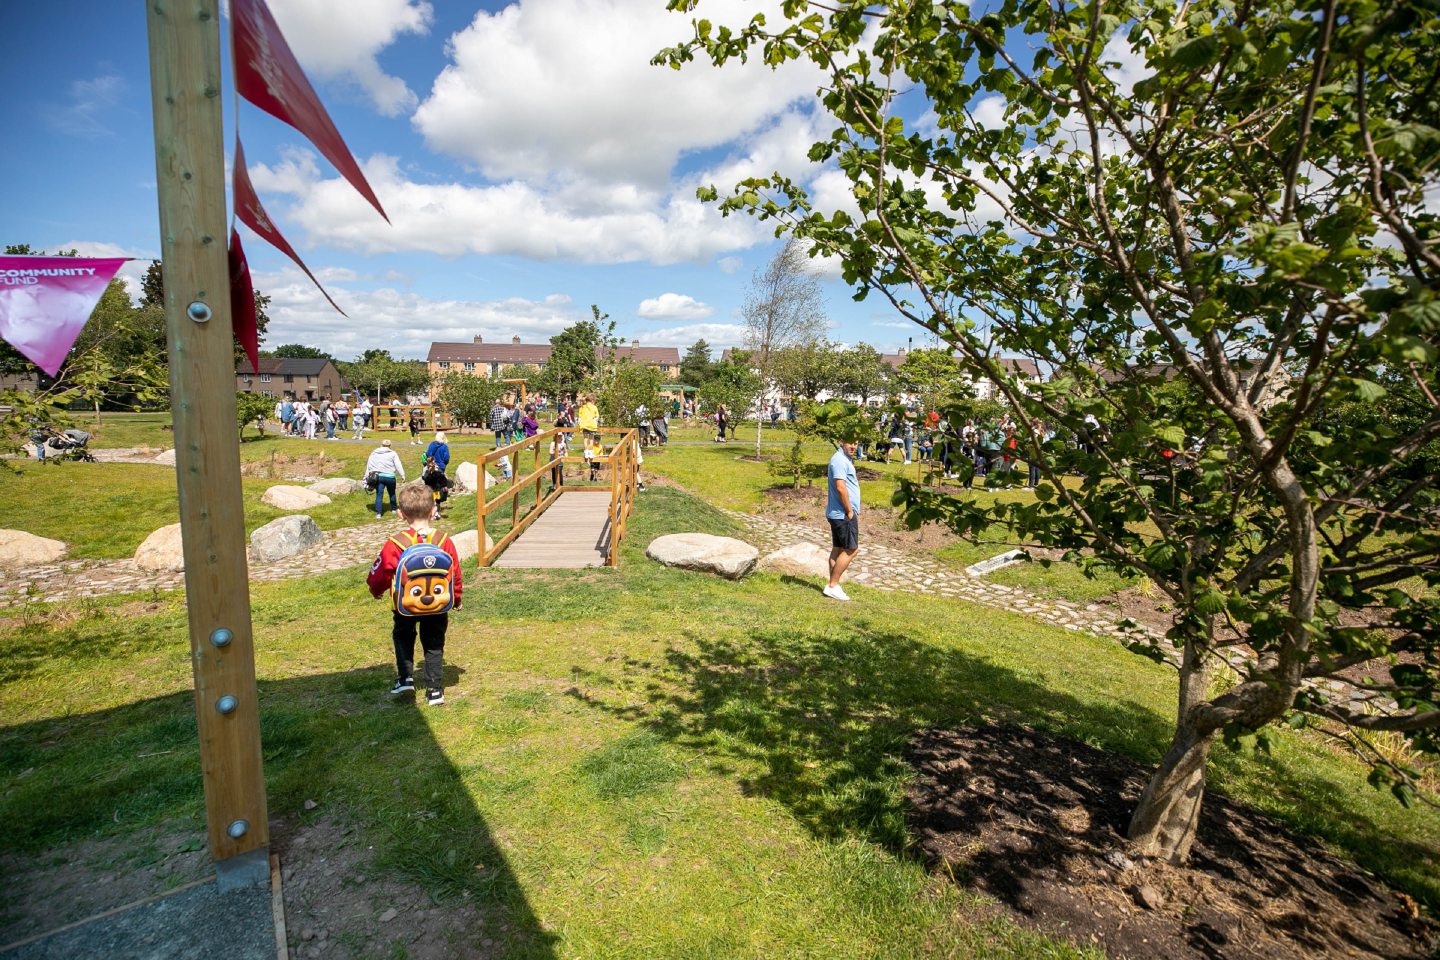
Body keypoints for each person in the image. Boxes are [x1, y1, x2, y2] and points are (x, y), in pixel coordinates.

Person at [366, 481, 463, 707]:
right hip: (438, 604)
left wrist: (376, 590)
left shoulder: (395, 543)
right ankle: (434, 691)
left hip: (405, 605)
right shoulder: (443, 540)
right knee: (434, 643)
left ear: (401, 514)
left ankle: (405, 679)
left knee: (403, 637)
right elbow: (455, 573)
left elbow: (380, 572)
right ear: (433, 510)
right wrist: (456, 598)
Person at [824, 438, 861, 602]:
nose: (853, 446)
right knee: (851, 549)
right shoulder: (839, 460)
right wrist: (849, 510)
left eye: (856, 443)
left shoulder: (843, 459)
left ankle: (833, 585)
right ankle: (832, 585)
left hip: (838, 513)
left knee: (838, 549)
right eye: (850, 443)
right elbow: (840, 487)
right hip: (843, 514)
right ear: (841, 442)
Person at [365, 438, 406, 519]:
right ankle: (394, 509)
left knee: (379, 494)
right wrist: (402, 475)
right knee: (392, 493)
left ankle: (378, 513)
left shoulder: (374, 453)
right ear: (390, 446)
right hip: (390, 476)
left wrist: (367, 476)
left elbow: (369, 465)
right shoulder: (393, 453)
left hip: (378, 476)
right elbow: (398, 464)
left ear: (381, 445)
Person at [423, 431, 452, 518]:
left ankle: (430, 507)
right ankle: (437, 508)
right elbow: (446, 458)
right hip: (440, 467)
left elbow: (428, 454)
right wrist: (444, 464)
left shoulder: (432, 444)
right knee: (438, 488)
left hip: (431, 467)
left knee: (431, 487)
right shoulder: (444, 447)